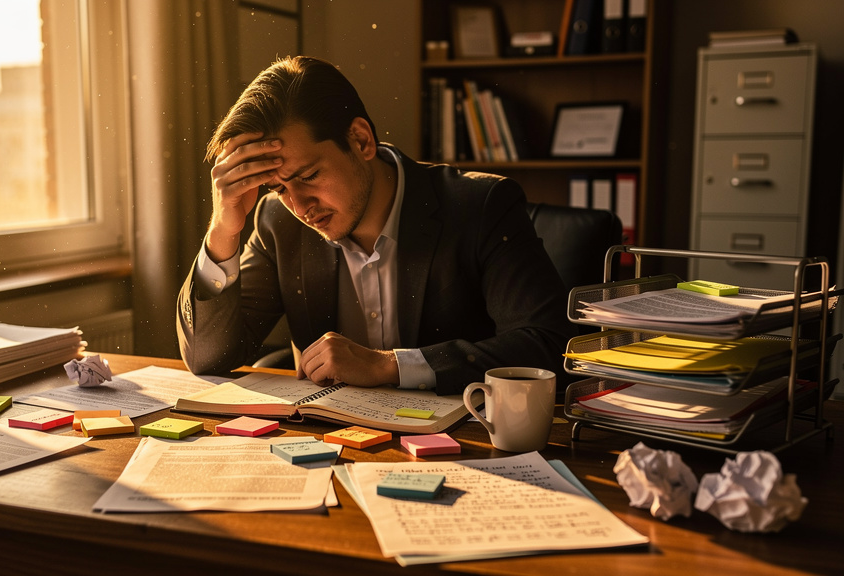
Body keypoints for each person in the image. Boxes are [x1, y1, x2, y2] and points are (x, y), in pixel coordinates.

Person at [177, 55, 574, 396]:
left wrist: (389, 366)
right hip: (331, 443)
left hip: (463, 442)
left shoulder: (481, 205)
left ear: (361, 140)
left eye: (309, 175)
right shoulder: (276, 220)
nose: (299, 206)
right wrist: (223, 230)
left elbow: (549, 346)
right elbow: (208, 359)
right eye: (278, 188)